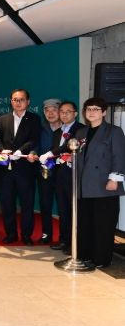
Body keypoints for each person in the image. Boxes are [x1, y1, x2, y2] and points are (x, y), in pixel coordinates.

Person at [74, 98, 124, 268]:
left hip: (105, 184)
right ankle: (85, 255)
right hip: (84, 185)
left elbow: (119, 156)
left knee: (103, 224)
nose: (91, 112)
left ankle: (101, 259)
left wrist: (114, 178)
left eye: (96, 109)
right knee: (85, 223)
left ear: (103, 112)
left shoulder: (113, 131)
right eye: (88, 109)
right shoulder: (81, 132)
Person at [0, 89, 41, 245]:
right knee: (7, 203)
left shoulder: (34, 119)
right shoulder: (3, 119)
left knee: (27, 204)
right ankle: (11, 234)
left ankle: (26, 235)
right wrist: (2, 150)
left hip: (25, 169)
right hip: (6, 170)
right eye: (15, 100)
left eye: (21, 99)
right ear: (11, 102)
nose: (18, 102)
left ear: (28, 102)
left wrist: (21, 151)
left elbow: (34, 139)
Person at [41, 101, 85, 253]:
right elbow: (55, 151)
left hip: (74, 176)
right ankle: (64, 240)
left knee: (74, 211)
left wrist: (51, 153)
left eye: (68, 112)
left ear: (75, 114)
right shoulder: (57, 132)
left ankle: (75, 244)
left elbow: (67, 146)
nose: (64, 115)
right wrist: (47, 161)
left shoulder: (80, 129)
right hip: (59, 176)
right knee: (63, 210)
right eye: (62, 112)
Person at [37, 98, 62, 244]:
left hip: (63, 173)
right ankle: (46, 233)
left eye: (54, 110)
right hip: (45, 172)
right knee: (45, 204)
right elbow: (35, 145)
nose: (50, 113)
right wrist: (33, 153)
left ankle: (65, 237)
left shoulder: (67, 129)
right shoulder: (40, 128)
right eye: (47, 110)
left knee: (64, 205)